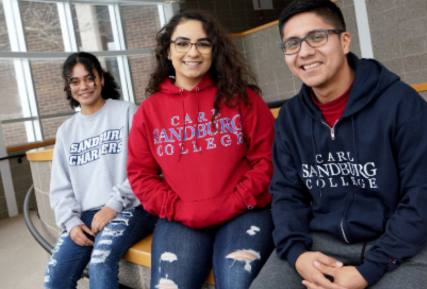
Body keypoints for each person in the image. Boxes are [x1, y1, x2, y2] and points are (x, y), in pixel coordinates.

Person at [250, 0, 427, 289]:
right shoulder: (290, 118)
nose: (305, 52)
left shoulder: (401, 104)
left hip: (401, 243)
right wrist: (297, 254)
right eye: (292, 44)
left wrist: (369, 270)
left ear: (344, 41)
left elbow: (421, 195)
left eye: (317, 37)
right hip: (322, 242)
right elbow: (286, 194)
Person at [127, 9, 275, 289]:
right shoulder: (149, 112)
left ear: (213, 50)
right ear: (168, 52)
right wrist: (179, 208)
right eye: (182, 43)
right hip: (181, 216)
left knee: (236, 282)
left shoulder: (243, 99)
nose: (192, 52)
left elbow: (269, 160)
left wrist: (234, 201)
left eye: (203, 43)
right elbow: (141, 176)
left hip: (245, 210)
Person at [44, 52, 157, 289]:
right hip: (85, 215)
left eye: (89, 78)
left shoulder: (127, 112)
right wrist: (71, 222)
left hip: (131, 207)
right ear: (69, 87)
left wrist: (113, 205)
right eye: (75, 81)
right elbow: (60, 187)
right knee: (54, 277)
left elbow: (147, 167)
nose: (83, 86)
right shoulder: (66, 131)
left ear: (101, 78)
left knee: (100, 261)